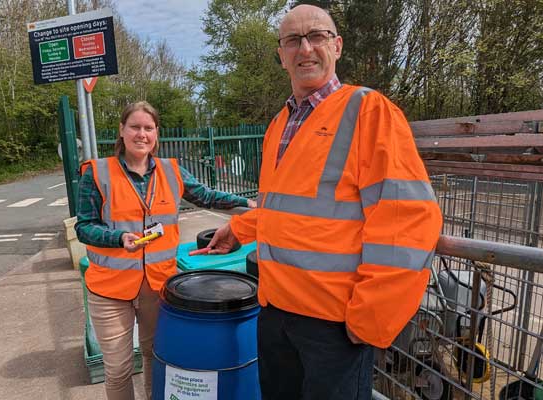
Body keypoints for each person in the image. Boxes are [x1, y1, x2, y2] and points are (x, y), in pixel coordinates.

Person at [208, 4, 443, 400]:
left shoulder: (368, 111)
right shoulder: (279, 124)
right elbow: (280, 207)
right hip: (276, 313)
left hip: (334, 326)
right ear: (281, 55)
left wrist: (370, 319)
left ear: (336, 46)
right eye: (293, 41)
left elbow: (408, 222)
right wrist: (238, 229)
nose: (305, 49)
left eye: (316, 36)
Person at [75, 100, 256, 400]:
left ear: (157, 133)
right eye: (135, 127)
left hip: (157, 285)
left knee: (154, 356)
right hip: (109, 289)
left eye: (148, 128)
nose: (141, 134)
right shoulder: (97, 173)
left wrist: (248, 204)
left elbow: (205, 196)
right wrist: (118, 239)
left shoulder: (172, 171)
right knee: (118, 369)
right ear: (121, 130)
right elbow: (84, 226)